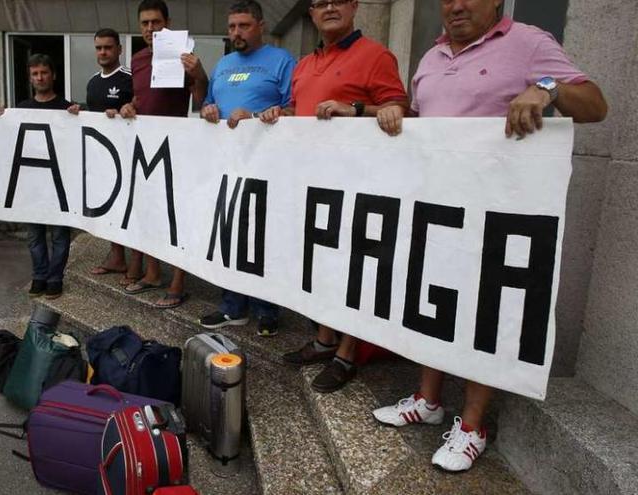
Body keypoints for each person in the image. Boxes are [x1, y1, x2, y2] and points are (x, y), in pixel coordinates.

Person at [370, 0, 607, 472]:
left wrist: (546, 88)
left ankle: (473, 424)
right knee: (431, 299)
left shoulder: (529, 42)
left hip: (497, 211)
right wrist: (396, 115)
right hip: (435, 205)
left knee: (485, 309)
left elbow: (596, 105)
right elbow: (425, 122)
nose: (455, 5)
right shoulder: (432, 57)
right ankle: (427, 397)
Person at [258, 0, 408, 393]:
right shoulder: (305, 63)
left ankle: (347, 352)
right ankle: (325, 340)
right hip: (311, 182)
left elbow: (401, 110)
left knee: (350, 268)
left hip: (357, 182)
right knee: (320, 265)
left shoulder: (376, 56)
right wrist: (281, 113)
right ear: (310, 14)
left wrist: (357, 109)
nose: (329, 8)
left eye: (337, 0)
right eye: (320, 3)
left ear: (354, 6)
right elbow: (300, 109)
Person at [196, 0, 295, 337]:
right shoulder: (223, 64)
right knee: (229, 236)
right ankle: (232, 307)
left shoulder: (282, 61)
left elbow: (294, 109)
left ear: (261, 26)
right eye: (232, 27)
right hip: (225, 165)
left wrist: (258, 117)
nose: (236, 32)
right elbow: (209, 105)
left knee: (263, 237)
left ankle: (268, 308)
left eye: (244, 25)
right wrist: (207, 109)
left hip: (268, 166)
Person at [115, 0, 209, 309]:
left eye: (156, 22)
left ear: (167, 22)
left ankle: (178, 282)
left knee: (177, 217)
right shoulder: (139, 59)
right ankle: (153, 273)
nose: (150, 28)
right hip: (146, 147)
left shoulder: (185, 55)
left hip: (177, 147)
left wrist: (199, 73)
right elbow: (141, 98)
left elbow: (200, 98)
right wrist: (130, 106)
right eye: (144, 23)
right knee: (151, 213)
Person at [0, 54, 77, 299]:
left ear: (53, 75)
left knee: (60, 236)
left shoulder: (68, 109)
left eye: (44, 72)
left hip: (59, 185)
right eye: (35, 74)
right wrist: (0, 118)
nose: (40, 78)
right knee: (35, 236)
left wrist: (78, 117)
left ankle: (55, 278)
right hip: (32, 185)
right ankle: (39, 276)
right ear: (31, 78)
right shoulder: (21, 110)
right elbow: (9, 142)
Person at [69, 28, 135, 278]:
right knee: (108, 208)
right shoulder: (93, 82)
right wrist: (78, 110)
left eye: (108, 47)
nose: (103, 52)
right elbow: (93, 114)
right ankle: (117, 256)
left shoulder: (130, 78)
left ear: (119, 49)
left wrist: (127, 110)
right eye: (99, 48)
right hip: (101, 158)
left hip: (129, 157)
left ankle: (136, 262)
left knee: (129, 209)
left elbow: (142, 110)